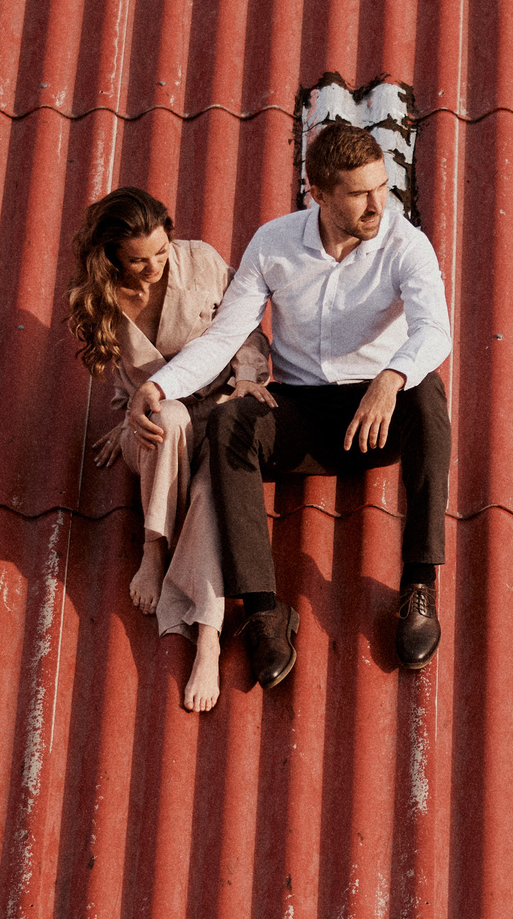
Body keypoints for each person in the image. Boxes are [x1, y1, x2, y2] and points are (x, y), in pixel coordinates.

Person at [130, 121, 452, 688]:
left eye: (382, 187)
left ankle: (419, 586)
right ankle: (263, 609)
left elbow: (434, 332)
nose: (378, 204)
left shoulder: (405, 243)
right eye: (360, 194)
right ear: (320, 194)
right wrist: (159, 388)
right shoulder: (274, 243)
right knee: (231, 421)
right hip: (301, 413)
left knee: (427, 392)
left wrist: (391, 375)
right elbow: (224, 337)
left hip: (378, 416)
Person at [67, 187, 271, 713]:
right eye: (138, 259)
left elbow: (244, 328)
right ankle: (152, 550)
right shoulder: (99, 299)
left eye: (161, 251)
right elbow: (122, 373)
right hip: (156, 426)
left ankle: (207, 633)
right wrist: (123, 412)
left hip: (220, 408)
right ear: (110, 254)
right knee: (168, 414)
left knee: (209, 493)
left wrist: (249, 380)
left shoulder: (201, 262)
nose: (155, 265)